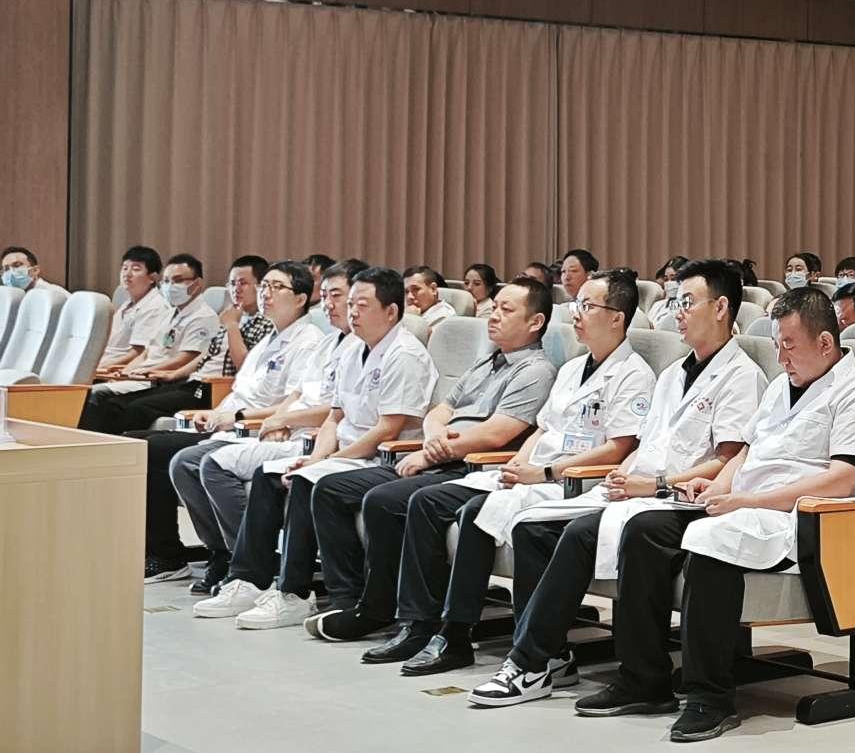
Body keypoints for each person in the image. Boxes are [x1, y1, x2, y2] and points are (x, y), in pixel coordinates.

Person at [468, 261, 768, 711]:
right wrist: (623, 473)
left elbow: (726, 461)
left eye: (687, 302)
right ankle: (551, 657)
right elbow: (646, 444)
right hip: (641, 489)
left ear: (722, 308)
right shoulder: (674, 373)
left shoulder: (741, 376)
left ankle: (531, 663)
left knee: (583, 533)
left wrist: (652, 484)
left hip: (681, 499)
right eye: (675, 302)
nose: (678, 312)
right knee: (533, 528)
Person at [646, 286, 855, 743]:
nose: (780, 358)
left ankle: (710, 699)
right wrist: (716, 488)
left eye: (790, 346)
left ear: (825, 342)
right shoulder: (782, 385)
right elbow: (747, 452)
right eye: (777, 345)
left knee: (710, 542)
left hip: (802, 521)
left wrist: (746, 502)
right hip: (745, 507)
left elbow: (841, 480)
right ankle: (643, 677)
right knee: (647, 528)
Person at [390, 269, 654, 678]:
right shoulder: (572, 368)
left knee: (481, 514)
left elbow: (619, 448)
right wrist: (522, 464)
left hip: (576, 481)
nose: (576, 314)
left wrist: (543, 472)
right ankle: (449, 631)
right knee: (451, 505)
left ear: (617, 317)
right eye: (576, 305)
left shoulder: (634, 374)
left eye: (587, 306)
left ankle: (489, 640)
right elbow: (544, 429)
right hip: (537, 472)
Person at [307, 278, 558, 646]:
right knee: (331, 488)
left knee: (386, 501)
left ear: (535, 322)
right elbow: (440, 409)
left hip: (472, 464)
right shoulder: (488, 361)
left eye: (506, 310)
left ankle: (404, 617)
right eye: (495, 308)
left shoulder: (535, 370)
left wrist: (432, 451)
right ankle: (350, 599)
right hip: (439, 453)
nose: (494, 316)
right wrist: (434, 433)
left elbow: (496, 435)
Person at [205, 266, 437, 631]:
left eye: (362, 305)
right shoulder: (353, 349)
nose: (352, 312)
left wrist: (327, 461)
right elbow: (334, 417)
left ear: (391, 311)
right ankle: (251, 579)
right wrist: (314, 458)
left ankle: (299, 594)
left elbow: (387, 428)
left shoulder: (404, 354)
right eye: (352, 304)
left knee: (309, 482)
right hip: (346, 455)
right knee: (270, 474)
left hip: (385, 456)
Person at [178, 266, 350, 597]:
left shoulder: (316, 340)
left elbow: (336, 411)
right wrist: (277, 419)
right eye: (326, 296)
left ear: (300, 299)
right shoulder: (328, 344)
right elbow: (297, 394)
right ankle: (233, 560)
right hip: (279, 428)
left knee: (209, 464)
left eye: (339, 297)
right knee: (180, 460)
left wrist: (277, 421)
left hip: (310, 439)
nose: (329, 304)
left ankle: (250, 566)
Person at [115, 255, 273, 580]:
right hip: (210, 396)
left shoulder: (261, 325)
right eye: (232, 283)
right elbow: (204, 359)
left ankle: (170, 554)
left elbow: (244, 369)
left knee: (146, 434)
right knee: (133, 437)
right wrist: (174, 374)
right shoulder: (233, 316)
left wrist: (232, 327)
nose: (236, 289)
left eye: (244, 283)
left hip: (221, 400)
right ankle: (154, 547)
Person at [78, 253, 221, 437]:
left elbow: (188, 357)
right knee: (102, 399)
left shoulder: (203, 316)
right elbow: (146, 352)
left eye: (178, 281)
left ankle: (108, 447)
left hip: (162, 379)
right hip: (147, 374)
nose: (170, 286)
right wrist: (126, 372)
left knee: (107, 401)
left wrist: (147, 371)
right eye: (167, 281)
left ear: (197, 284)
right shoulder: (170, 313)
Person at [96, 245, 173, 376]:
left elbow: (138, 352)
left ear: (153, 278)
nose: (127, 274)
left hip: (116, 370)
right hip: (103, 363)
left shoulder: (155, 307)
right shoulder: (126, 304)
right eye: (125, 268)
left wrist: (101, 367)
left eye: (136, 269)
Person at [1, 242, 65, 298]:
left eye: (17, 265)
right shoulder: (11, 296)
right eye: (6, 269)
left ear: (35, 270)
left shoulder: (54, 294)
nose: (11, 272)